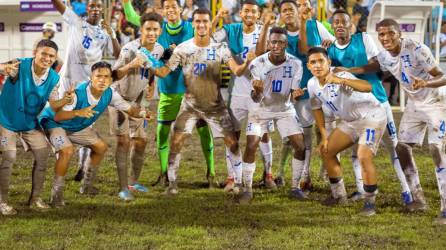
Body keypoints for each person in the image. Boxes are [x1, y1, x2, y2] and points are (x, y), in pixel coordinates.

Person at [342, 19, 446, 225]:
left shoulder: (417, 49)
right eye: (381, 34)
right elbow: (374, 65)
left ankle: (445, 209)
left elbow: (442, 75)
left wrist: (425, 82)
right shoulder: (384, 56)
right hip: (415, 104)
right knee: (402, 147)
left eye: (390, 33)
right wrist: (347, 71)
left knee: (436, 148)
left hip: (436, 100)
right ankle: (418, 199)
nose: (386, 38)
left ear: (399, 34)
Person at [150, 8, 255, 195]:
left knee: (232, 143)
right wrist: (149, 63)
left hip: (215, 106)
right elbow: (165, 71)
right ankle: (172, 185)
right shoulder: (183, 48)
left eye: (205, 21)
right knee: (176, 141)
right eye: (197, 21)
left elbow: (237, 71)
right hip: (190, 104)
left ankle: (239, 184)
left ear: (209, 24)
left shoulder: (220, 48)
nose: (201, 25)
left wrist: (246, 62)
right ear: (193, 24)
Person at [122, 0, 216, 187]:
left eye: (174, 6)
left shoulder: (192, 26)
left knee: (204, 131)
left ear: (180, 9)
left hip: (194, 91)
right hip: (168, 89)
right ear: (162, 11)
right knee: (163, 133)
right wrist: (126, 3)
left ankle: (211, 174)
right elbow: (133, 18)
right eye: (167, 7)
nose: (171, 10)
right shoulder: (158, 28)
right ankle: (164, 173)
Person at [326, 9, 412, 205]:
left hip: (378, 101)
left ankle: (407, 191)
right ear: (332, 26)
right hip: (354, 108)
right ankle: (360, 190)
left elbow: (376, 65)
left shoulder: (363, 39)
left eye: (343, 22)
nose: (340, 24)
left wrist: (350, 71)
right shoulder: (330, 49)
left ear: (351, 26)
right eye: (336, 22)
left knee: (393, 146)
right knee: (356, 151)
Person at [39, 61, 150, 207]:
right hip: (54, 123)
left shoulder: (110, 94)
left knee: (101, 147)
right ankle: (56, 196)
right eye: (98, 76)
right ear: (91, 77)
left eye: (106, 76)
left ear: (111, 79)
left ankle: (86, 186)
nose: (102, 80)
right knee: (67, 151)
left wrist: (143, 113)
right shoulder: (78, 93)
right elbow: (58, 116)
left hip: (76, 126)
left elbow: (130, 110)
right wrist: (79, 112)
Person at [257, 0, 335, 192]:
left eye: (294, 8)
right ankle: (302, 175)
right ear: (281, 14)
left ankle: (329, 174)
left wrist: (329, 44)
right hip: (299, 92)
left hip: (323, 87)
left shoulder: (315, 25)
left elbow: (330, 45)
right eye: (285, 10)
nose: (290, 12)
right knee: (302, 137)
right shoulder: (280, 35)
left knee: (328, 133)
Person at [306, 47, 386, 216]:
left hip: (372, 117)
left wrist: (340, 81)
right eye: (313, 62)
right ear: (308, 66)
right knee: (326, 151)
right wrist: (324, 136)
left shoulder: (341, 75)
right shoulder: (312, 83)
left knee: (363, 155)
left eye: (321, 61)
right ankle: (338, 195)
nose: (317, 65)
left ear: (329, 62)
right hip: (351, 122)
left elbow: (367, 87)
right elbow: (316, 108)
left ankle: (370, 203)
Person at [0, 40, 71, 215]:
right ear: (35, 53)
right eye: (44, 54)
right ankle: (2, 202)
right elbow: (4, 67)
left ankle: (35, 198)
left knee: (43, 155)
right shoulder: (20, 65)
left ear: (55, 58)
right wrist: (3, 67)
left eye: (51, 56)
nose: (47, 58)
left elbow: (53, 104)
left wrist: (67, 100)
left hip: (29, 124)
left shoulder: (54, 78)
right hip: (6, 121)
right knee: (9, 156)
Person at [212, 0, 276, 191]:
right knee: (233, 135)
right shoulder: (231, 30)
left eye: (253, 12)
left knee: (263, 134)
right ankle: (232, 177)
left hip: (261, 92)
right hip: (237, 92)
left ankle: (268, 174)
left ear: (258, 15)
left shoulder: (267, 31)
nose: (249, 14)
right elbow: (207, 37)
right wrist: (216, 18)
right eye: (246, 11)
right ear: (240, 13)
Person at [238, 26, 306, 204]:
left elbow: (293, 96)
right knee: (251, 144)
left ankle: (295, 187)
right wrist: (257, 91)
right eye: (273, 42)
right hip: (261, 109)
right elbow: (256, 96)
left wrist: (296, 97)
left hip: (284, 109)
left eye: (280, 42)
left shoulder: (296, 64)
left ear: (286, 44)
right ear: (268, 43)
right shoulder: (257, 64)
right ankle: (247, 189)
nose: (276, 45)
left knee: (300, 145)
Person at [111, 12, 165, 201]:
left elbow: (152, 70)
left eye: (155, 29)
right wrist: (131, 65)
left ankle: (133, 182)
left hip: (137, 101)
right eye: (148, 29)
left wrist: (150, 84)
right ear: (140, 30)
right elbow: (113, 75)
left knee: (141, 141)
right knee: (124, 142)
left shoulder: (158, 49)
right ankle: (122, 187)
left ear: (160, 31)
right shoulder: (128, 50)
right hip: (118, 99)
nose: (151, 32)